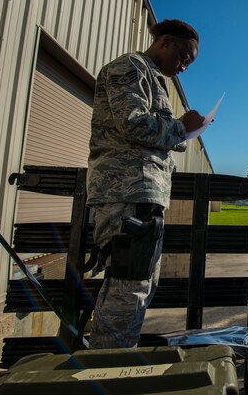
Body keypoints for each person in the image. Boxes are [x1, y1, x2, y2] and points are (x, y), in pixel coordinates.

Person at [86, 19, 204, 348]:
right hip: (126, 192)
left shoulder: (154, 79)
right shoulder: (130, 67)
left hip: (141, 194)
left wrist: (184, 130)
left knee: (141, 284)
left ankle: (114, 362)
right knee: (129, 285)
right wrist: (181, 128)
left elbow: (158, 134)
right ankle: (106, 370)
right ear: (165, 42)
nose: (183, 68)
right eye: (184, 57)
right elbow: (133, 125)